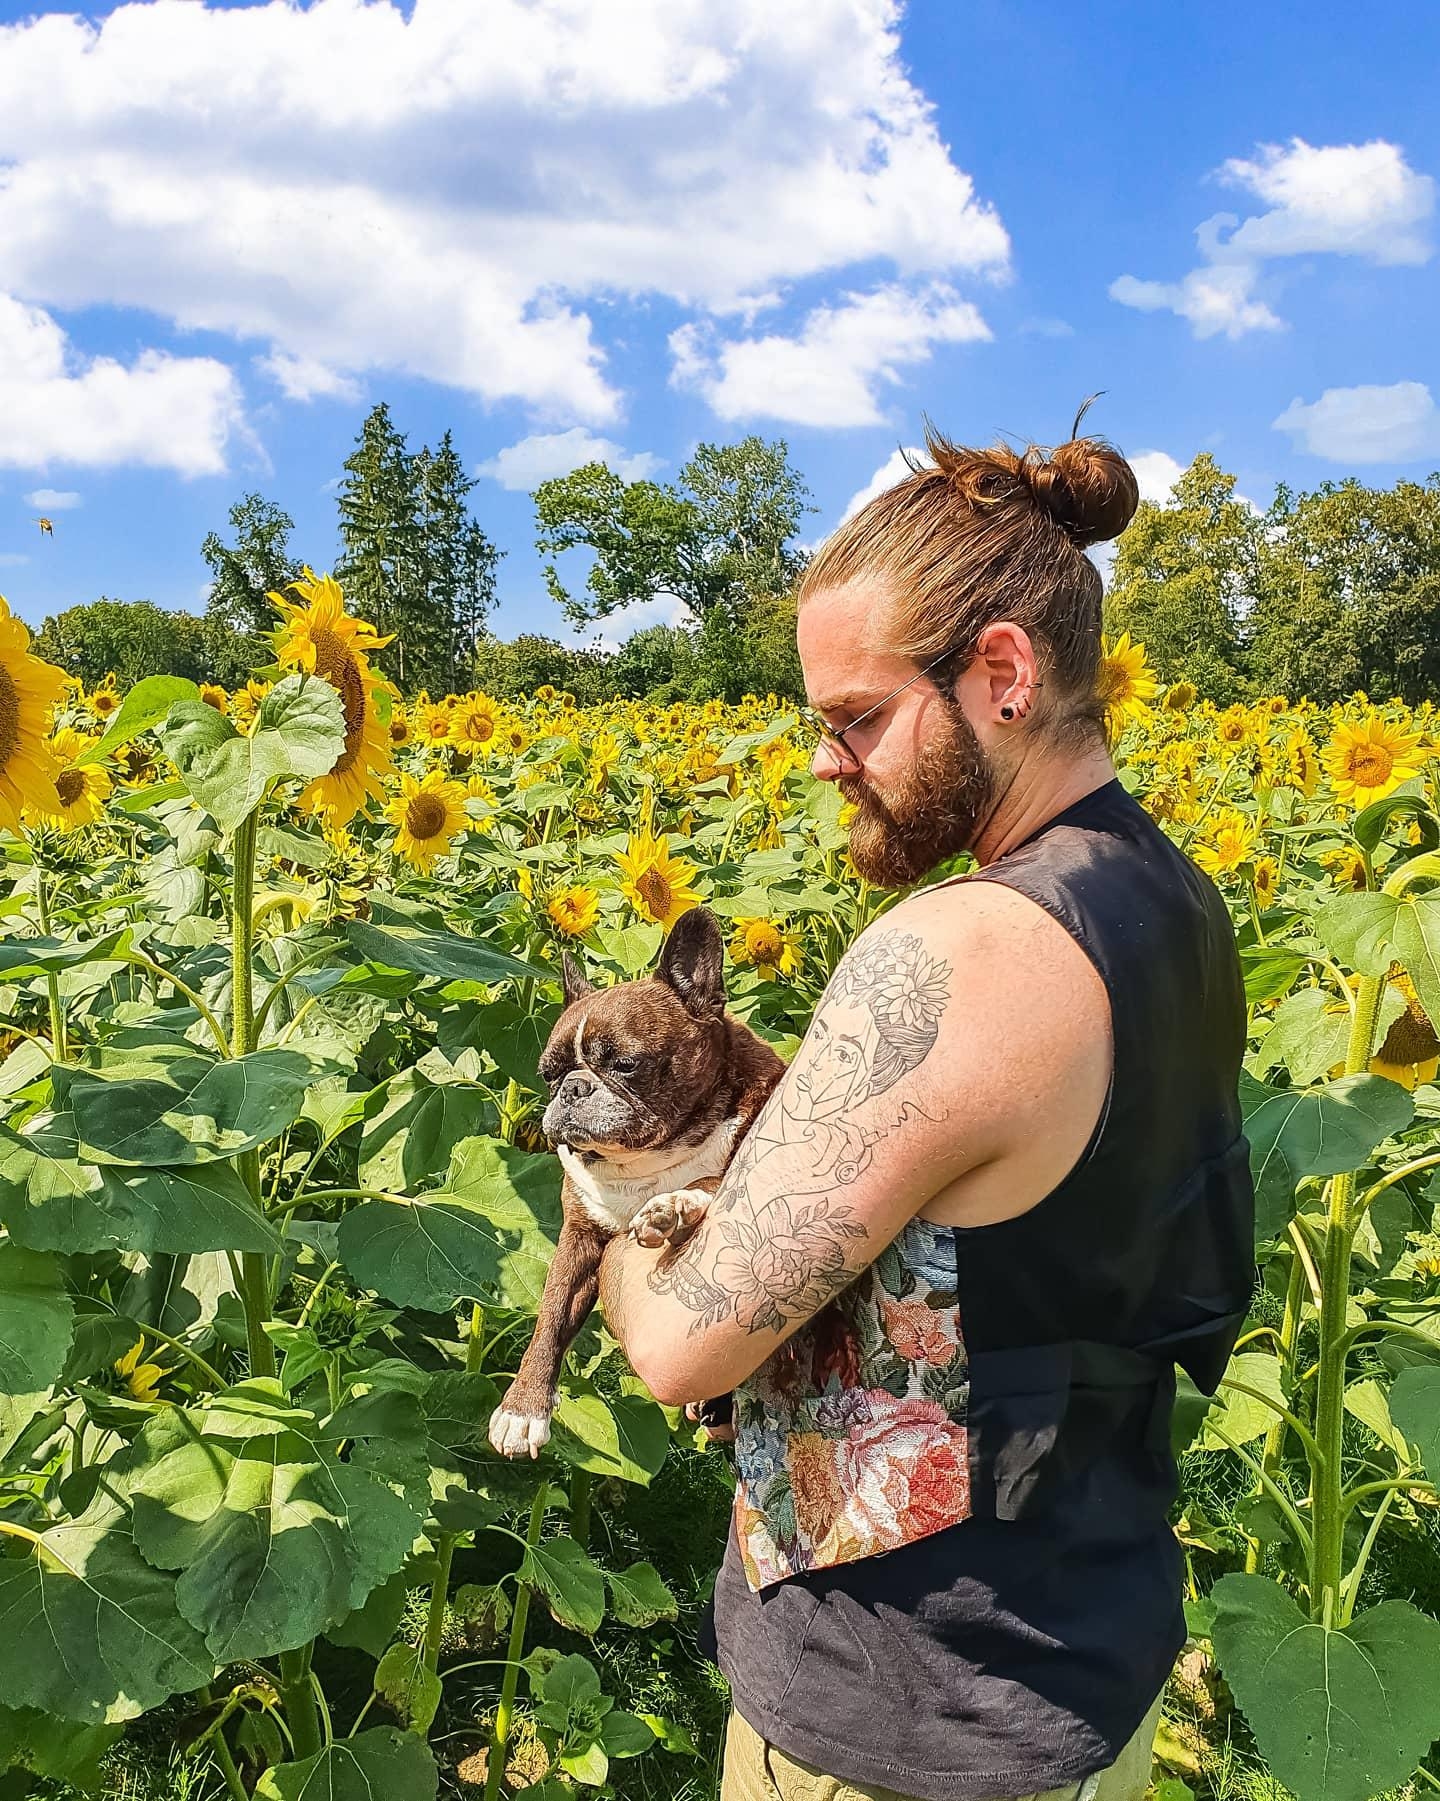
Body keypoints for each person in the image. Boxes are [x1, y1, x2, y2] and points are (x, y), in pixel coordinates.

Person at [598, 419, 1256, 1801]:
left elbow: (680, 1345)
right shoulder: (1173, 900)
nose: (828, 762)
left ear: (1001, 674)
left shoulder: (958, 950)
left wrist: (614, 1189)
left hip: (904, 1720)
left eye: (856, 716)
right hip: (1081, 1655)